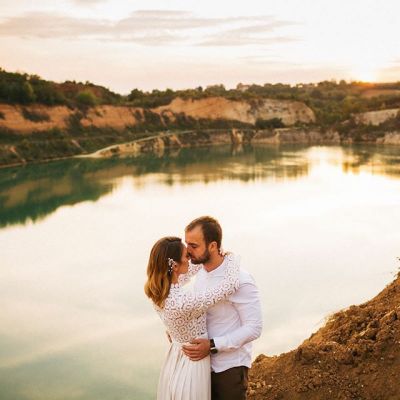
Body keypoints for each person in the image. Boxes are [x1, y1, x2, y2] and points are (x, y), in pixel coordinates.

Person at [144, 236, 240, 400]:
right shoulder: (184, 302)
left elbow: (189, 271)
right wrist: (231, 258)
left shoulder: (160, 291)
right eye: (186, 256)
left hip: (176, 356)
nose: (189, 258)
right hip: (193, 362)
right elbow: (230, 285)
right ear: (174, 266)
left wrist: (207, 254)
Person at [182, 216, 262, 400]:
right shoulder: (200, 273)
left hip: (229, 368)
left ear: (212, 246)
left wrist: (212, 346)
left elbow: (254, 328)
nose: (187, 251)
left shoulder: (241, 280)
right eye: (186, 244)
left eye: (193, 245)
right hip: (201, 366)